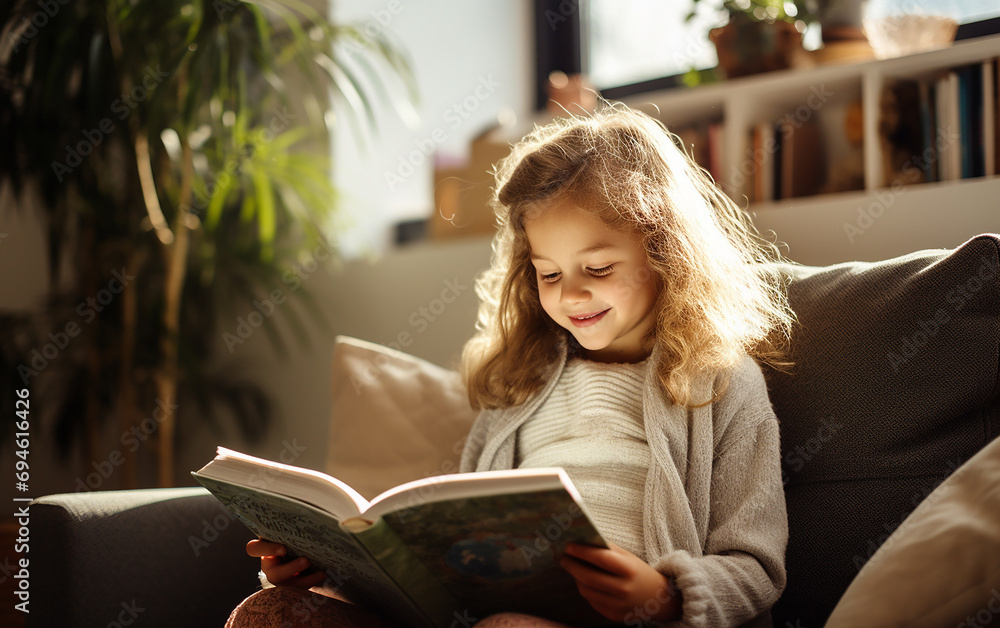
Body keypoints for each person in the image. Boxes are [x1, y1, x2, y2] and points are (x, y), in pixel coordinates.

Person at [226, 102, 796, 628]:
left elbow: (757, 567)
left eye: (597, 269)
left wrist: (666, 593)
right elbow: (454, 554)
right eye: (550, 274)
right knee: (273, 611)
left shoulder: (720, 382)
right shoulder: (521, 389)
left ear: (666, 250)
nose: (571, 295)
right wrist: (324, 571)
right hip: (494, 617)